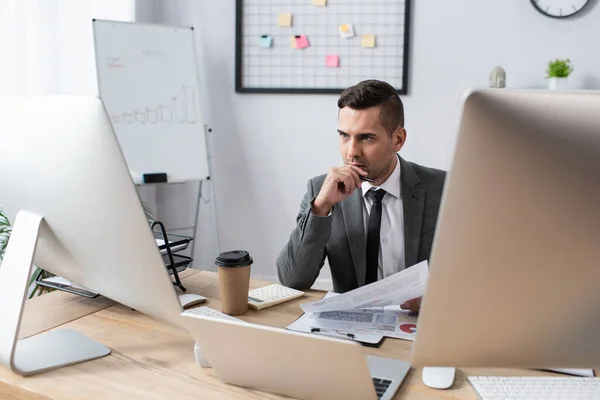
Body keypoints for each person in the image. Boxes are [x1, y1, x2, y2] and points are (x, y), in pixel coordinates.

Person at [276, 79, 446, 313]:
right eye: (344, 136)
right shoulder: (321, 191)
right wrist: (321, 207)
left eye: (366, 138)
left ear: (398, 139)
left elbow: (477, 270)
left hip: (420, 327)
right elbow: (292, 280)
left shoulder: (443, 188)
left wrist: (439, 298)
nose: (351, 152)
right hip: (353, 333)